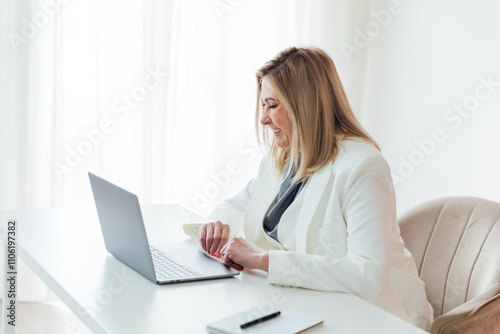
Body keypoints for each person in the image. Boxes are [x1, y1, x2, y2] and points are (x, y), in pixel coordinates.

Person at [197, 46, 432, 330]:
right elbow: (236, 204)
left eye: (272, 105)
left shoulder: (363, 167)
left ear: (304, 106)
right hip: (309, 303)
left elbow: (368, 275)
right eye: (263, 105)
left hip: (375, 315)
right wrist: (217, 224)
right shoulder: (284, 157)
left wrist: (265, 260)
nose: (263, 119)